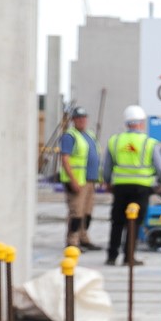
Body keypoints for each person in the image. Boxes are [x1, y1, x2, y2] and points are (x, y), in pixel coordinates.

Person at [103, 105, 161, 266]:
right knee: (134, 223)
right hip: (141, 188)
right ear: (141, 123)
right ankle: (128, 257)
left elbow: (106, 166)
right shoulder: (148, 143)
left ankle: (111, 256)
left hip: (120, 187)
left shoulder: (115, 141)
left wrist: (107, 182)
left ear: (126, 123)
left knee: (117, 222)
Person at [58, 108, 100, 252]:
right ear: (73, 120)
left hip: (90, 180)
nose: (81, 120)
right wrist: (73, 180)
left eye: (83, 118)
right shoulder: (70, 136)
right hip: (78, 181)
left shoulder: (89, 135)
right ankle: (72, 241)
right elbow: (65, 159)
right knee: (76, 212)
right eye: (78, 118)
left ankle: (83, 237)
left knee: (87, 212)